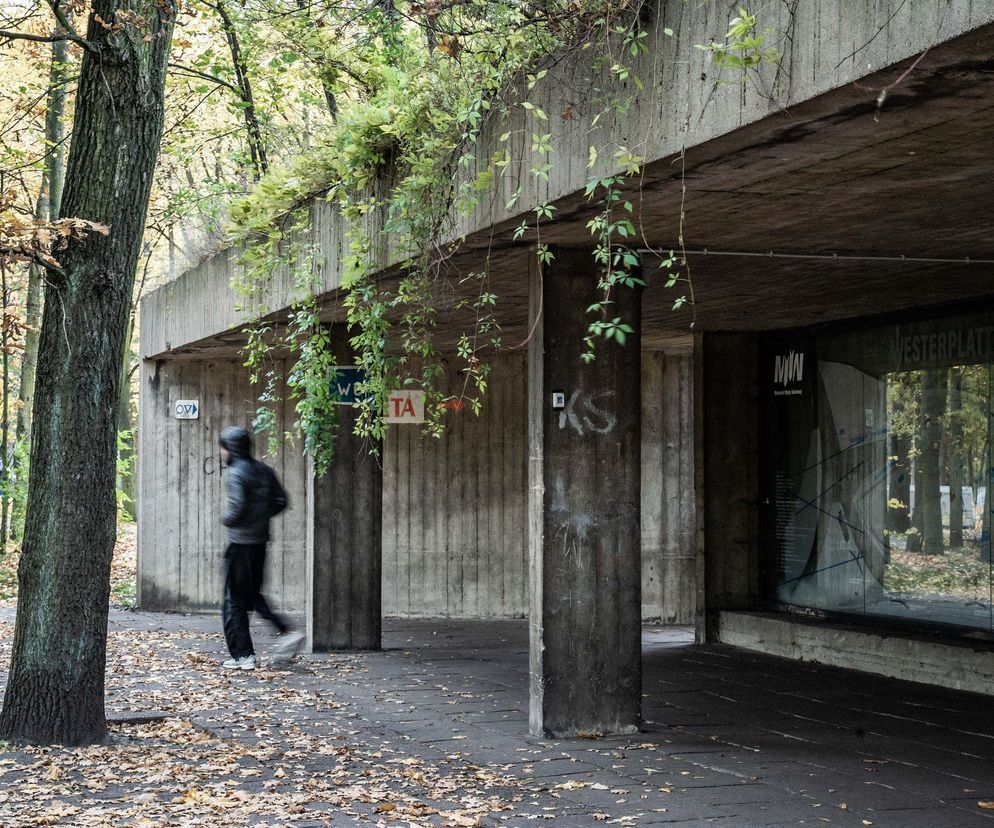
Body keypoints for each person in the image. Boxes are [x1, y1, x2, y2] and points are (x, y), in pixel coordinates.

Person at [218, 426, 304, 670]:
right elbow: (281, 501)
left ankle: (243, 656)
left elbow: (237, 507)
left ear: (230, 449)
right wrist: (261, 517)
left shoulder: (235, 473)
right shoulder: (264, 470)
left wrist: (228, 519)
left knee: (233, 601)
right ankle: (286, 631)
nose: (222, 453)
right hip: (258, 544)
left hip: (239, 544)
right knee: (252, 595)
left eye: (223, 447)